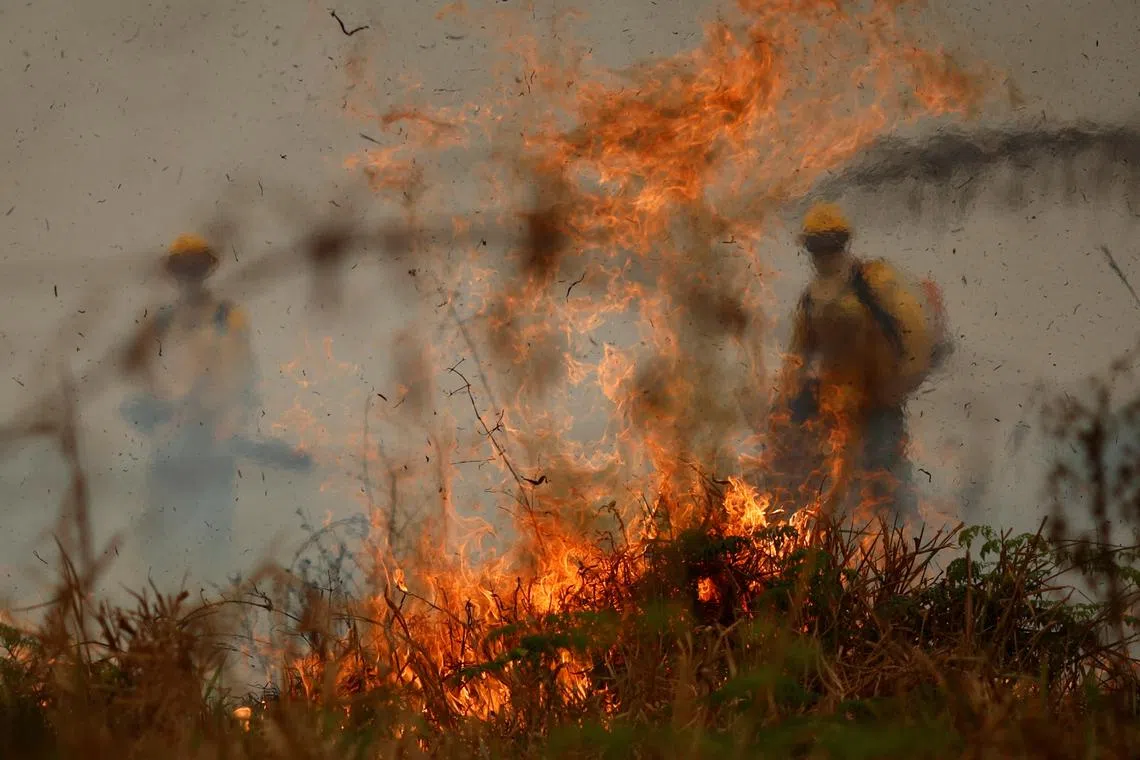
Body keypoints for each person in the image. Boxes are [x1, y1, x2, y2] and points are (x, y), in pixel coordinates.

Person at [122, 233, 308, 589]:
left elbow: (245, 376)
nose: (189, 274)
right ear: (173, 273)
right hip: (170, 442)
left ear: (206, 271)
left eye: (195, 267)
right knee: (161, 534)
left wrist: (229, 420)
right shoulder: (160, 322)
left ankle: (212, 605)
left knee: (213, 535)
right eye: (182, 268)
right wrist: (162, 415)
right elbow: (143, 376)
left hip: (214, 438)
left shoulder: (227, 317)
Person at [768, 202, 952, 526]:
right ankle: (850, 559)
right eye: (816, 245)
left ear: (843, 242)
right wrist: (786, 399)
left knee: (886, 479)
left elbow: (913, 334)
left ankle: (904, 545)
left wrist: (896, 387)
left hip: (878, 403)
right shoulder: (812, 298)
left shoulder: (871, 281)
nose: (823, 253)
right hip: (835, 409)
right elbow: (799, 355)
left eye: (830, 243)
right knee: (837, 486)